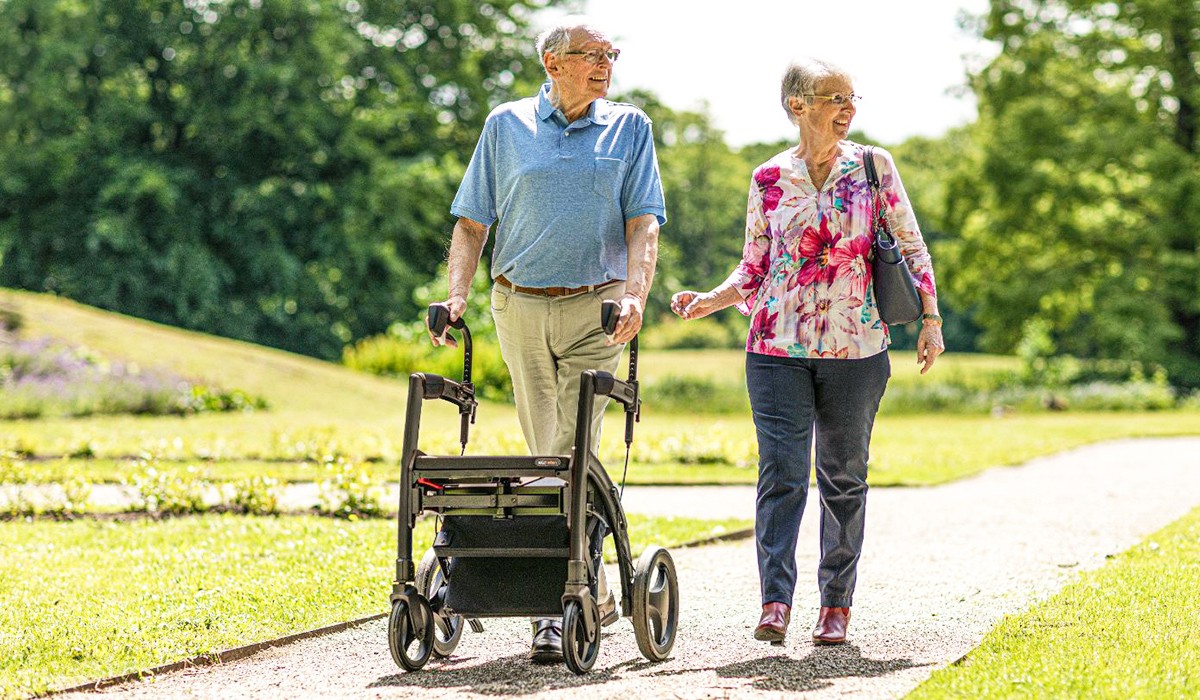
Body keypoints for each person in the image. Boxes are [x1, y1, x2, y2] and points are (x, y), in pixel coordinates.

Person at [670, 57, 943, 646]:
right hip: (774, 346)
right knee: (781, 476)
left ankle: (835, 606)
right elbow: (754, 263)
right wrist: (709, 300)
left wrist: (931, 317)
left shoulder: (873, 166)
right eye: (833, 98)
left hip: (858, 347)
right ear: (798, 105)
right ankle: (775, 601)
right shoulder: (768, 176)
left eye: (851, 98)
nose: (847, 108)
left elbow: (911, 244)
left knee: (843, 476)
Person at [431, 18, 666, 663]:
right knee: (544, 452)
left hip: (597, 309)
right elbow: (472, 223)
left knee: (567, 450)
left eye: (610, 55)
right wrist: (458, 297)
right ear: (551, 61)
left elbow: (643, 222)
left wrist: (637, 293)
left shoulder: (630, 128)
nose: (604, 65)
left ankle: (558, 603)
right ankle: (578, 580)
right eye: (591, 55)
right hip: (518, 306)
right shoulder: (505, 126)